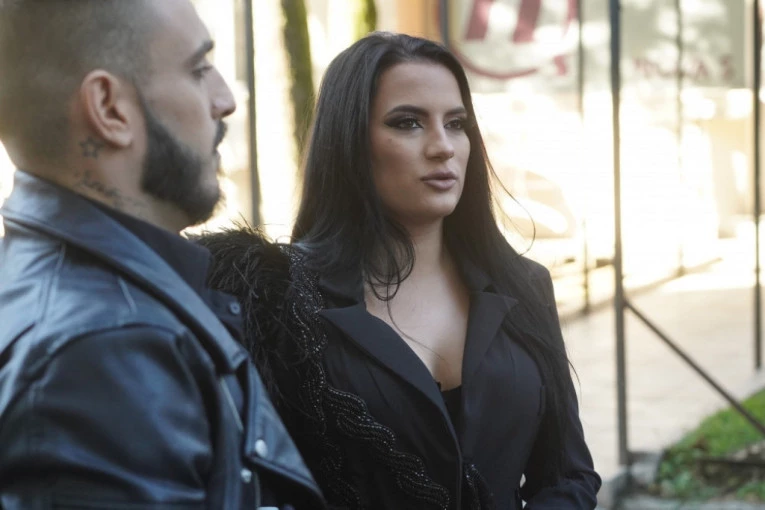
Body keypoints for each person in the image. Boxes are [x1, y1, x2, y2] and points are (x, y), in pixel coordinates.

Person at [201, 32, 601, 509]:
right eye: (408, 123)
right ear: (349, 141)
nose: (443, 147)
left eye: (456, 124)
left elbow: (567, 474)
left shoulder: (524, 284)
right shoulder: (278, 298)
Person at [0, 1, 324, 508]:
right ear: (109, 109)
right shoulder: (105, 350)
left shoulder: (66, 301)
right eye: (198, 69)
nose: (224, 100)